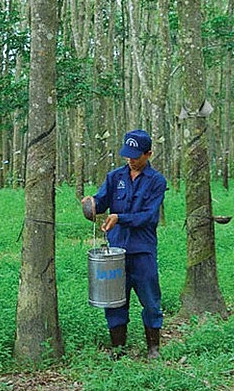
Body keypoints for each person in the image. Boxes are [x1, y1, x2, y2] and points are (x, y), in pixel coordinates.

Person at [81, 129, 166, 359]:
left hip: (142, 251)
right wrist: (91, 204)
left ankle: (153, 347)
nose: (130, 160)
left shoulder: (157, 181)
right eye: (127, 155)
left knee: (150, 299)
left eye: (136, 156)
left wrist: (120, 218)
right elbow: (101, 200)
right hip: (116, 251)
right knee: (114, 299)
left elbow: (148, 217)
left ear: (148, 154)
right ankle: (118, 348)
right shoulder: (114, 177)